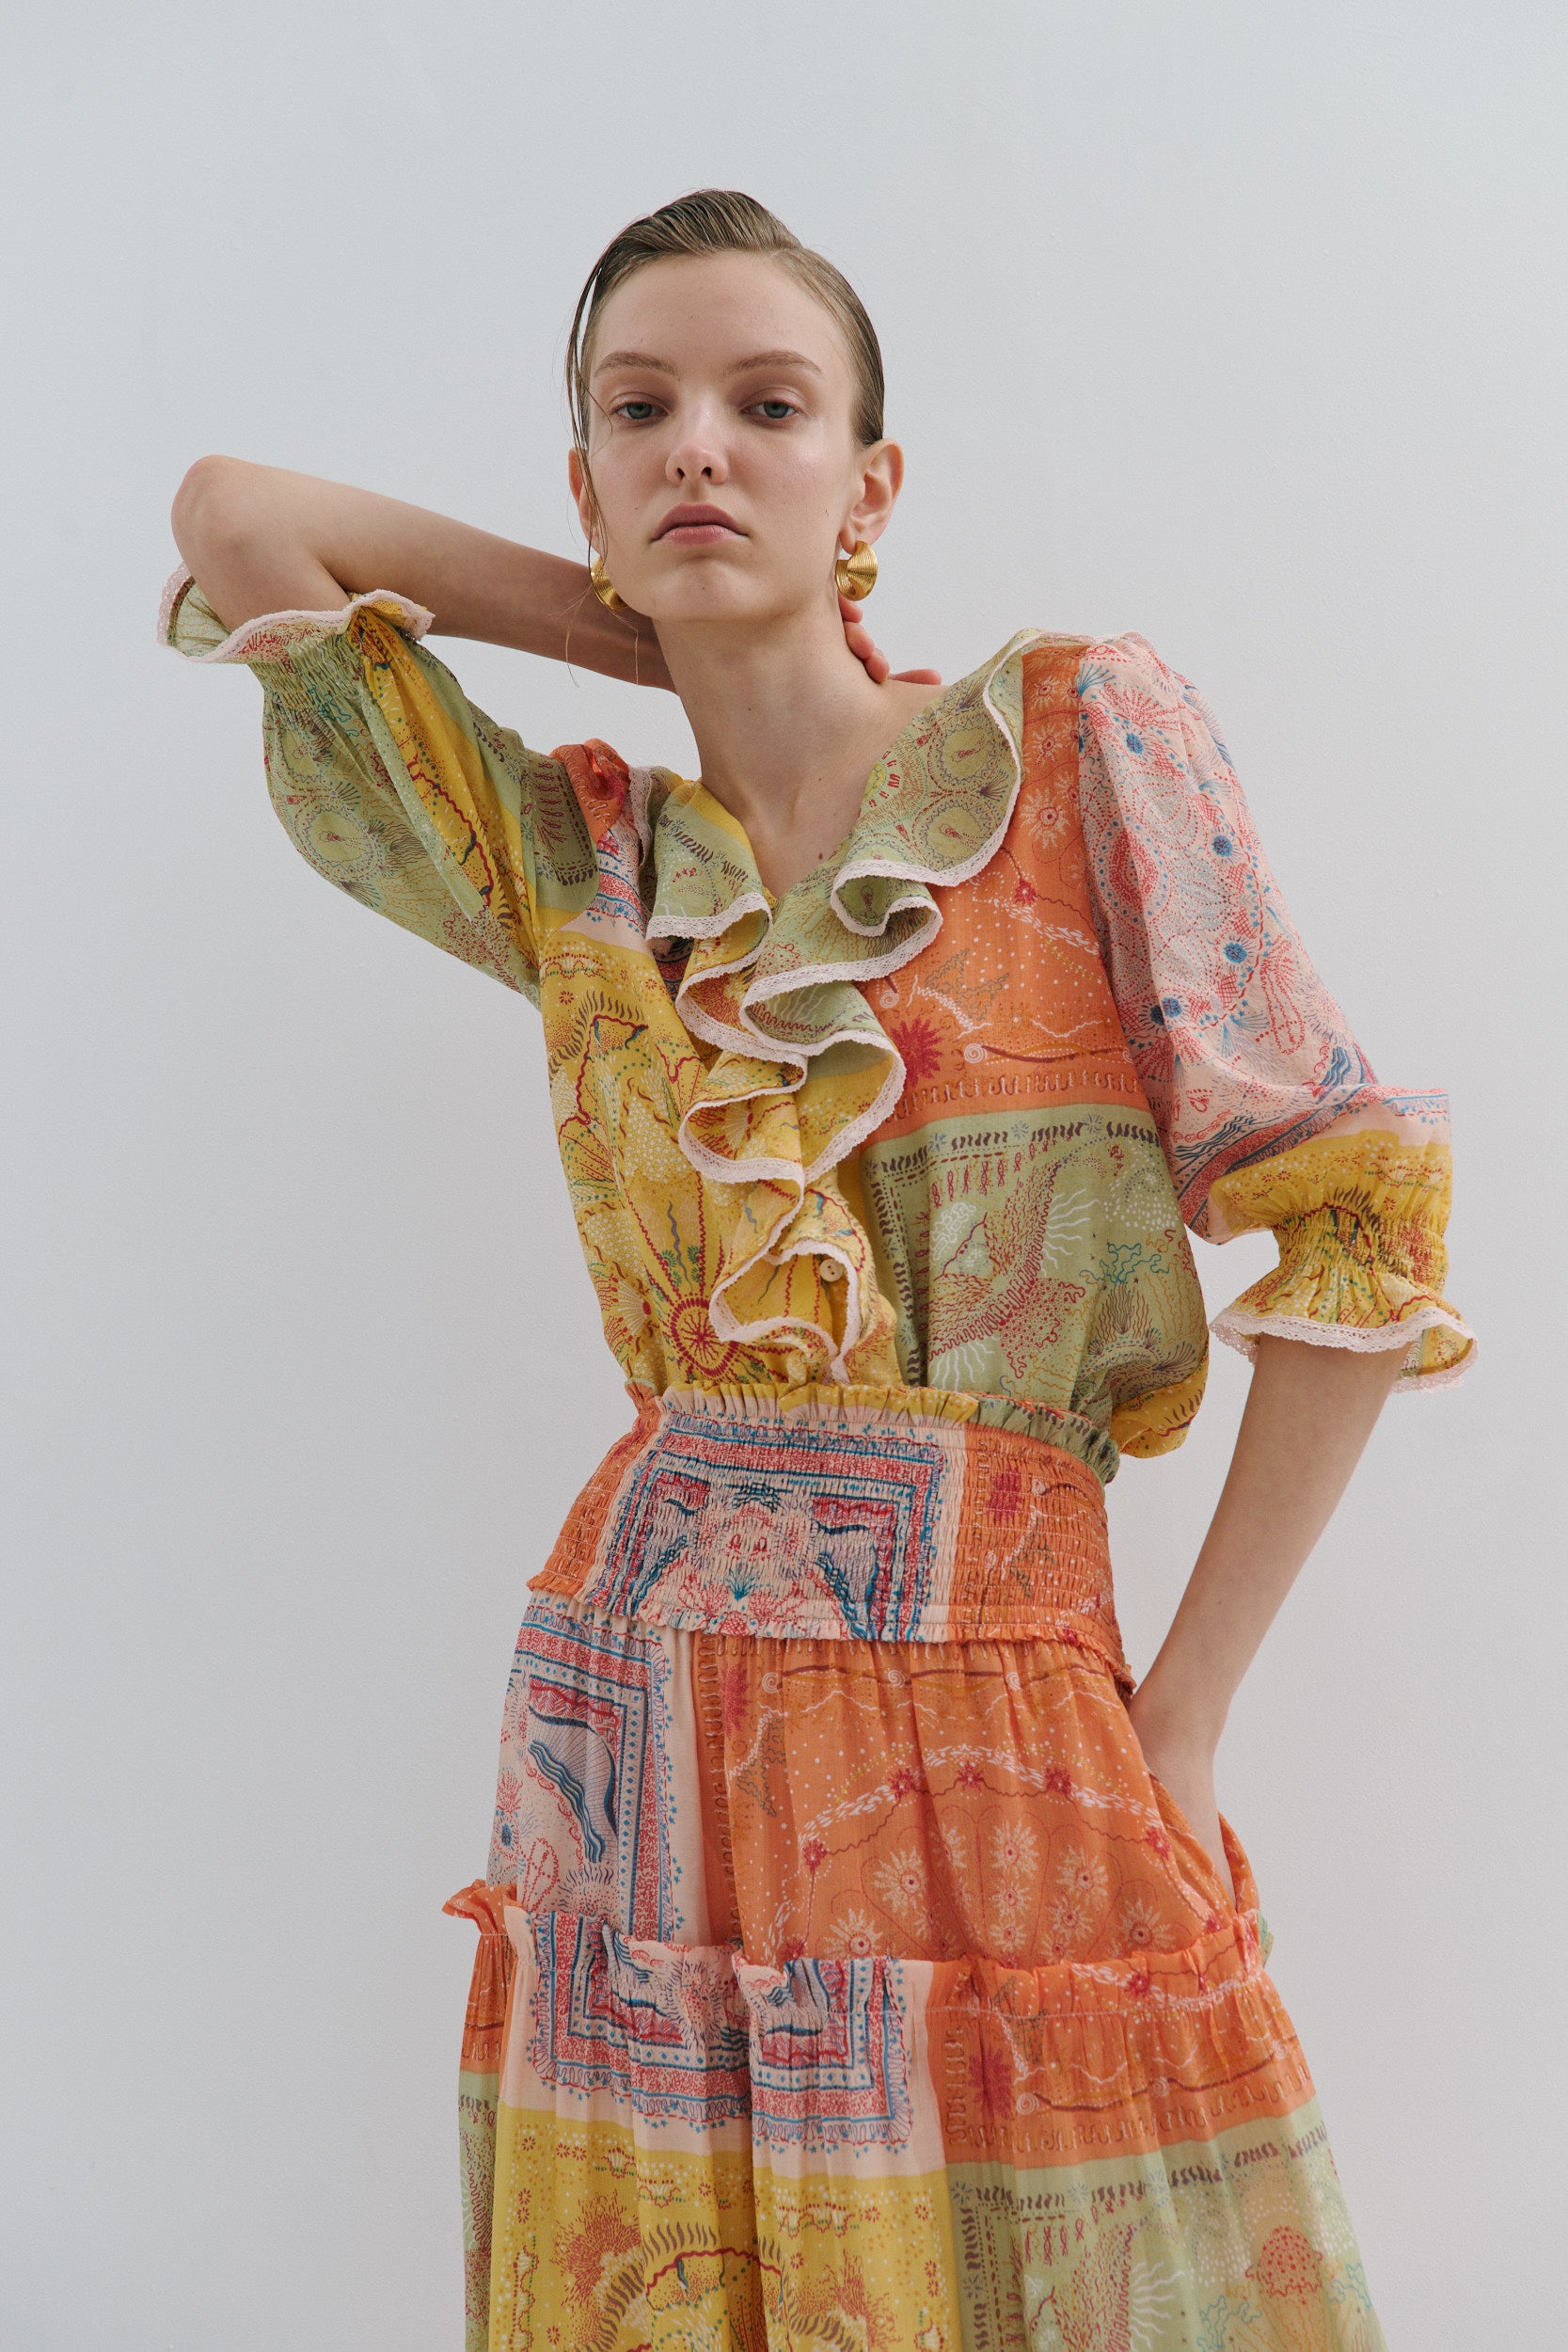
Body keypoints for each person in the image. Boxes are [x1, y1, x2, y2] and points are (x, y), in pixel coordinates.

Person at [163, 188, 1469, 2352]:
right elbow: (235, 514)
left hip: (1022, 1676)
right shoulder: (582, 862)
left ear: (872, 485)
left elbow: (1354, 1207)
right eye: (637, 410)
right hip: (646, 1714)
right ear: (580, 480)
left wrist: (1191, 1711)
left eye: (767, 407)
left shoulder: (1070, 740)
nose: (699, 446)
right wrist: (629, 614)